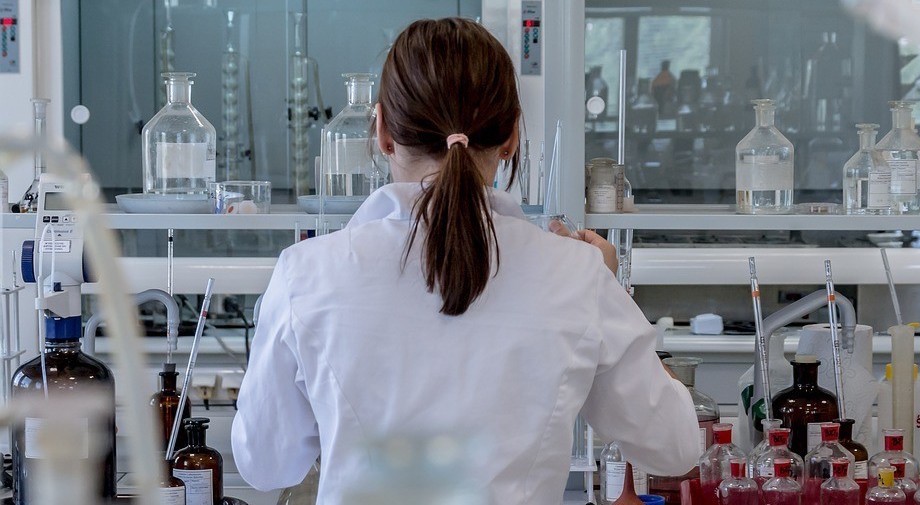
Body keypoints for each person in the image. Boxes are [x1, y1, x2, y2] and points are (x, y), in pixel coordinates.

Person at [231, 18, 701, 503]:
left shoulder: (307, 274)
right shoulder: (576, 274)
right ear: (512, 136)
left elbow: (266, 465)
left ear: (384, 133)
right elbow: (675, 448)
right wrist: (610, 292)